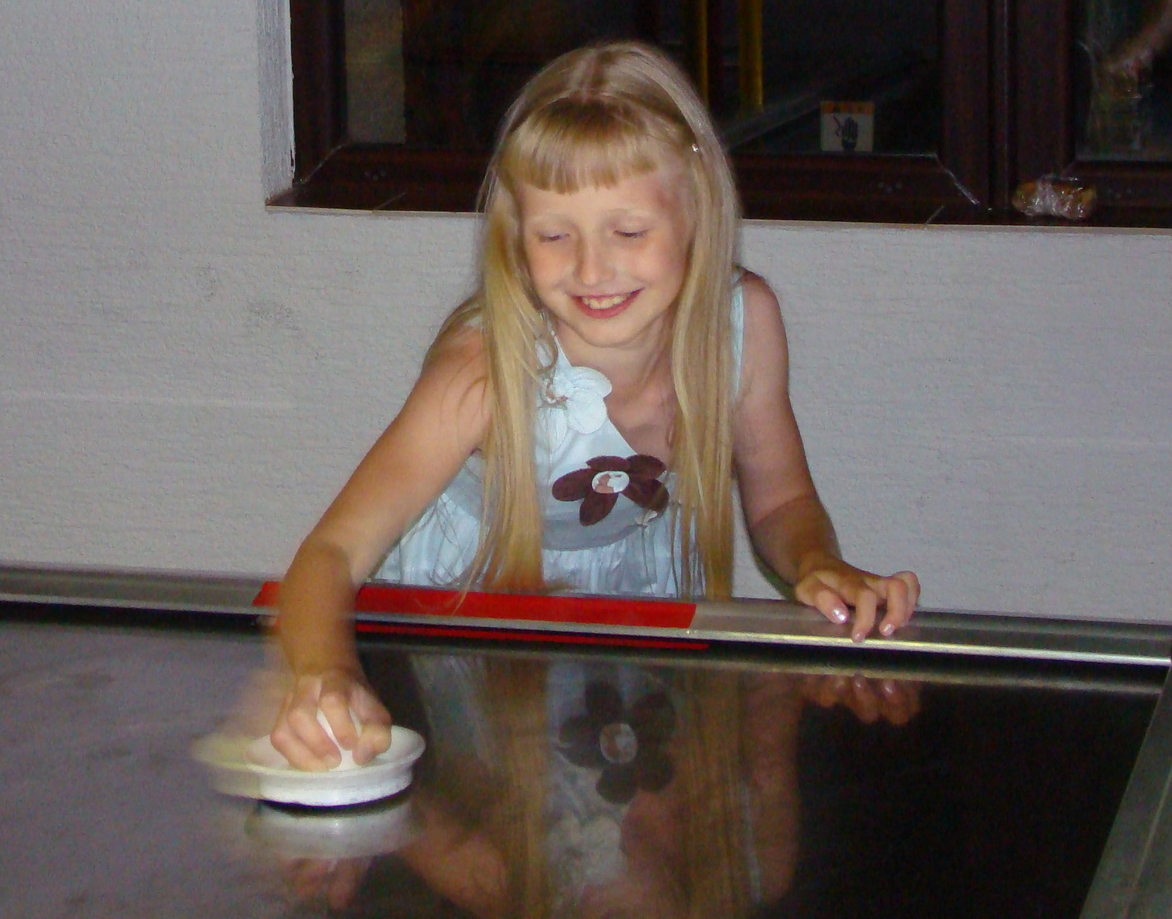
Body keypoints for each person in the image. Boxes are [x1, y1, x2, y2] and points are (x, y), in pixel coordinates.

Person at [272, 40, 919, 770]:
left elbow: (781, 500)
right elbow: (331, 552)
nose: (590, 269)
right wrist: (325, 674)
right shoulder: (483, 370)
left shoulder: (744, 324)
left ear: (696, 207)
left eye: (629, 231)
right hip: (472, 628)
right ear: (516, 235)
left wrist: (817, 561)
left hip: (638, 613)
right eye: (555, 235)